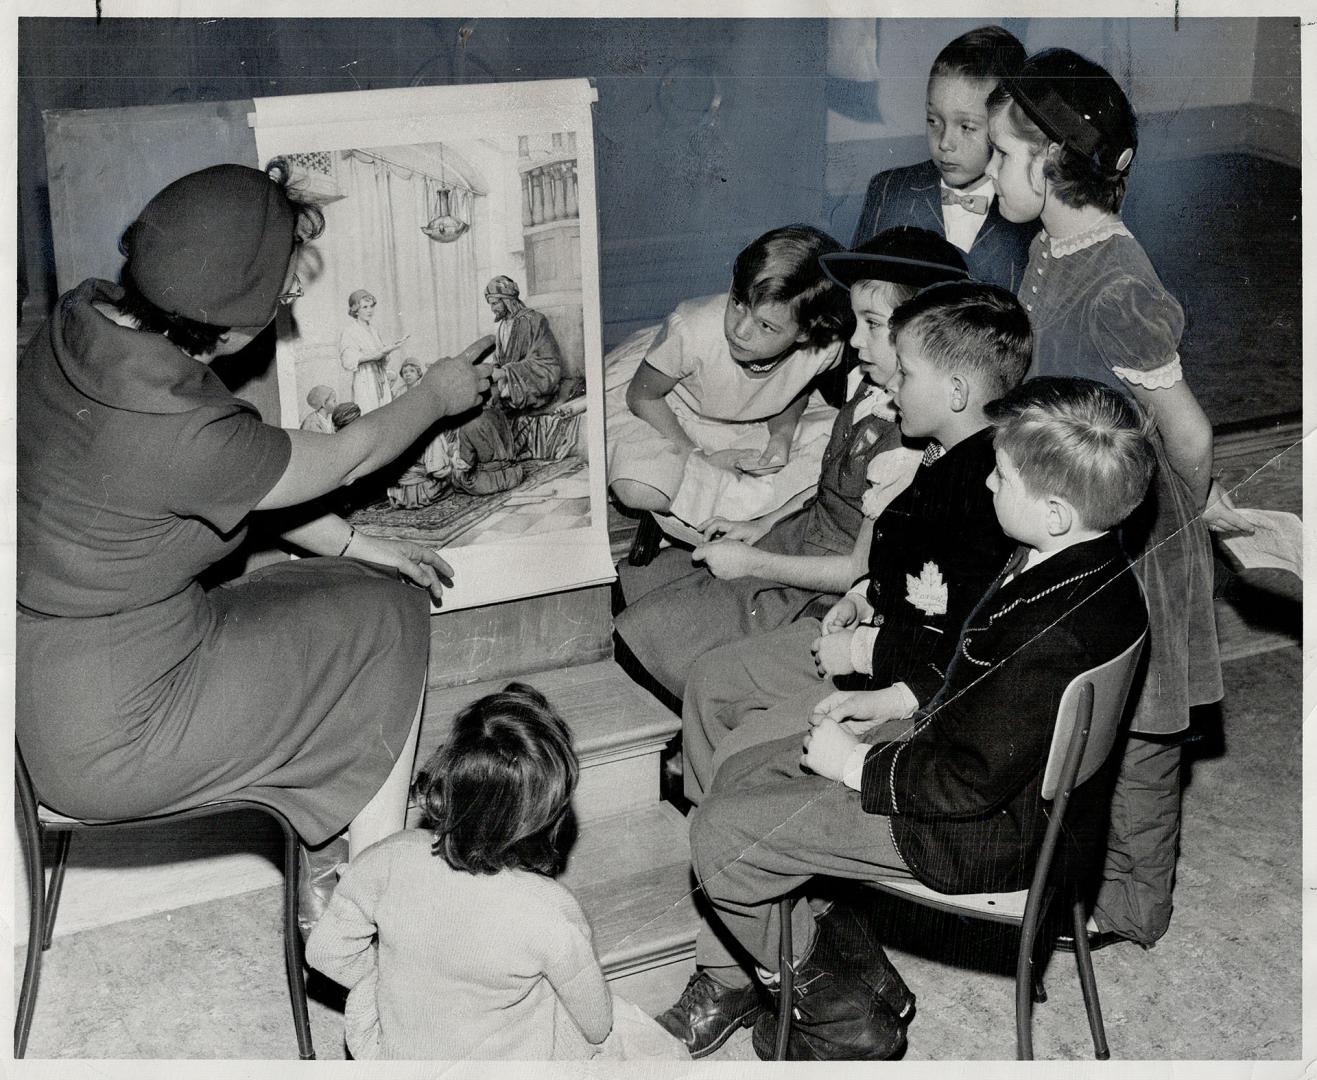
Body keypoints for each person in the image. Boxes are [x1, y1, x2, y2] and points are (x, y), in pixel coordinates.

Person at [16, 163, 490, 931]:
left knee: (339, 586)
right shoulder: (186, 428)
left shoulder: (81, 321)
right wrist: (436, 394)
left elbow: (239, 482)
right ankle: (369, 900)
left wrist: (348, 541)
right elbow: (344, 458)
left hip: (33, 685)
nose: (290, 309)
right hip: (110, 738)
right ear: (232, 321)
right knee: (388, 615)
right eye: (284, 295)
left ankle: (337, 840)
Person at [659, 377, 1155, 1060]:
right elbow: (991, 685)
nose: (985, 485)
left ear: (1054, 512)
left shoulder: (1053, 630)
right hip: (993, 786)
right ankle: (824, 947)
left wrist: (853, 762)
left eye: (1000, 477)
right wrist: (904, 699)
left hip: (975, 829)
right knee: (744, 767)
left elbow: (968, 778)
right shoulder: (1084, 570)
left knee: (721, 835)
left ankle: (836, 1018)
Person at [984, 47, 1254, 951]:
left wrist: (1195, 514)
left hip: (1136, 536)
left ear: (1048, 164)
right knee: (1070, 712)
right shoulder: (1047, 249)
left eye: (998, 156)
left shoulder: (1120, 289)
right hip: (1073, 520)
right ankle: (1058, 866)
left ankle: (1137, 905)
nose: (988, 174)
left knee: (1140, 727)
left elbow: (1189, 431)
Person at [678, 280, 1028, 803]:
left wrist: (862, 648)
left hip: (899, 685)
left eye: (907, 375)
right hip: (868, 636)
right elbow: (902, 569)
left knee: (740, 759)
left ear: (956, 393)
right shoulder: (936, 453)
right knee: (711, 681)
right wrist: (861, 596)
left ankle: (743, 834)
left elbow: (953, 639)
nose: (894, 387)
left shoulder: (986, 495)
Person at [614, 227, 969, 700]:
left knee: (657, 639)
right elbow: (827, 490)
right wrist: (761, 524)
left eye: (871, 325)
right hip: (799, 534)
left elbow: (855, 571)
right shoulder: (872, 383)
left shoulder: (908, 446)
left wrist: (753, 561)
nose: (855, 342)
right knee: (639, 590)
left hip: (818, 582)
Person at [306, 682, 687, 1061]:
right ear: (542, 816)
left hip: (400, 1057)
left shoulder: (386, 859)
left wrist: (390, 979)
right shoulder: (550, 910)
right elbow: (596, 1023)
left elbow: (325, 953)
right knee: (629, 1036)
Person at [606, 225, 851, 533]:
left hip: (755, 420)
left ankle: (737, 507)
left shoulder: (825, 347)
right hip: (671, 413)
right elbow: (642, 396)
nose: (740, 330)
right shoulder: (692, 330)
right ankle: (736, 499)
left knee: (843, 446)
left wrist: (782, 434)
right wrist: (697, 456)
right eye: (738, 302)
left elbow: (795, 388)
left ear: (805, 333)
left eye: (765, 325)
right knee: (638, 487)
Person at [851, 25, 1035, 292]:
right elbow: (852, 294)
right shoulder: (890, 192)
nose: (945, 143)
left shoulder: (1028, 214)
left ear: (1005, 125)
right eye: (933, 121)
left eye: (967, 127)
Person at [484, 275, 565, 412]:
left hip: (533, 387)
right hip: (509, 386)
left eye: (495, 303)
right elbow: (499, 361)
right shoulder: (502, 326)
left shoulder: (534, 320)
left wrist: (505, 372)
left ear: (507, 300)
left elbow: (547, 364)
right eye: (490, 304)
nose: (492, 309)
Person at [340, 287, 408, 414]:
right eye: (365, 307)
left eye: (371, 306)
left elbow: (382, 356)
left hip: (381, 378)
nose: (369, 310)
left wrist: (390, 349)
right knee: (368, 413)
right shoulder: (350, 331)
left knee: (385, 414)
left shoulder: (373, 330)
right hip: (365, 379)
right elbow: (348, 360)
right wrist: (378, 354)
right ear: (355, 310)